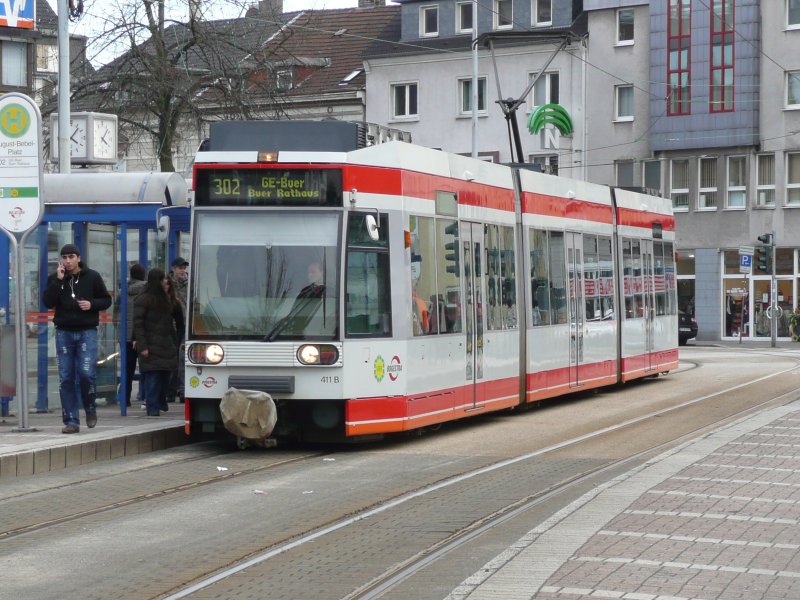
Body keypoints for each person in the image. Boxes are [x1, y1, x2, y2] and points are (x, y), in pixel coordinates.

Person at [43, 243, 112, 434]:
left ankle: (90, 408)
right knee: (66, 377)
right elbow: (48, 302)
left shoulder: (92, 276)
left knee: (85, 373)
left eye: (71, 257)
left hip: (86, 331)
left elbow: (106, 300)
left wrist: (92, 304)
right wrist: (58, 281)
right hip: (63, 331)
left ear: (78, 258)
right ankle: (71, 420)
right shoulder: (55, 279)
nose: (68, 261)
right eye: (64, 257)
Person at [134, 268, 184, 416]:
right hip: (150, 344)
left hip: (167, 343)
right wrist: (142, 345)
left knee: (165, 375)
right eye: (163, 279)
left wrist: (178, 341)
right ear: (157, 281)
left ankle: (160, 402)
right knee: (153, 376)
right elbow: (138, 324)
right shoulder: (143, 299)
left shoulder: (170, 300)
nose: (166, 281)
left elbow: (180, 323)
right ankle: (153, 407)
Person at [121, 263, 146, 407]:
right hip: (142, 334)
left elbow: (117, 314)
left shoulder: (124, 291)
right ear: (144, 275)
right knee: (146, 368)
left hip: (126, 335)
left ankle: (125, 398)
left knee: (127, 369)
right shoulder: (148, 291)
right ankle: (145, 397)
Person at [167, 257, 189, 403]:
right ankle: (170, 391)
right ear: (174, 269)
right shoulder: (168, 285)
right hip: (171, 327)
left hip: (185, 327)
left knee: (182, 359)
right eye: (180, 268)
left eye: (184, 268)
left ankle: (182, 390)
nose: (183, 271)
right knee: (171, 360)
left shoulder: (190, 284)